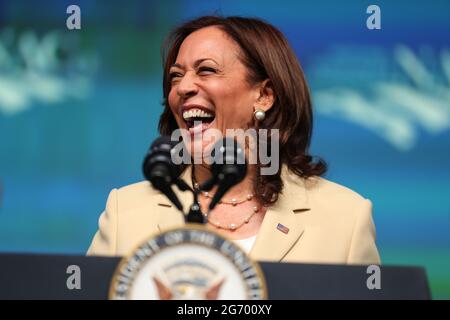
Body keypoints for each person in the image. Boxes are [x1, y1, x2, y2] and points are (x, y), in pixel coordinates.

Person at [88, 16, 380, 265]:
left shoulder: (346, 218)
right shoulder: (124, 212)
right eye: (176, 76)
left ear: (264, 95)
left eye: (207, 70)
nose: (184, 87)